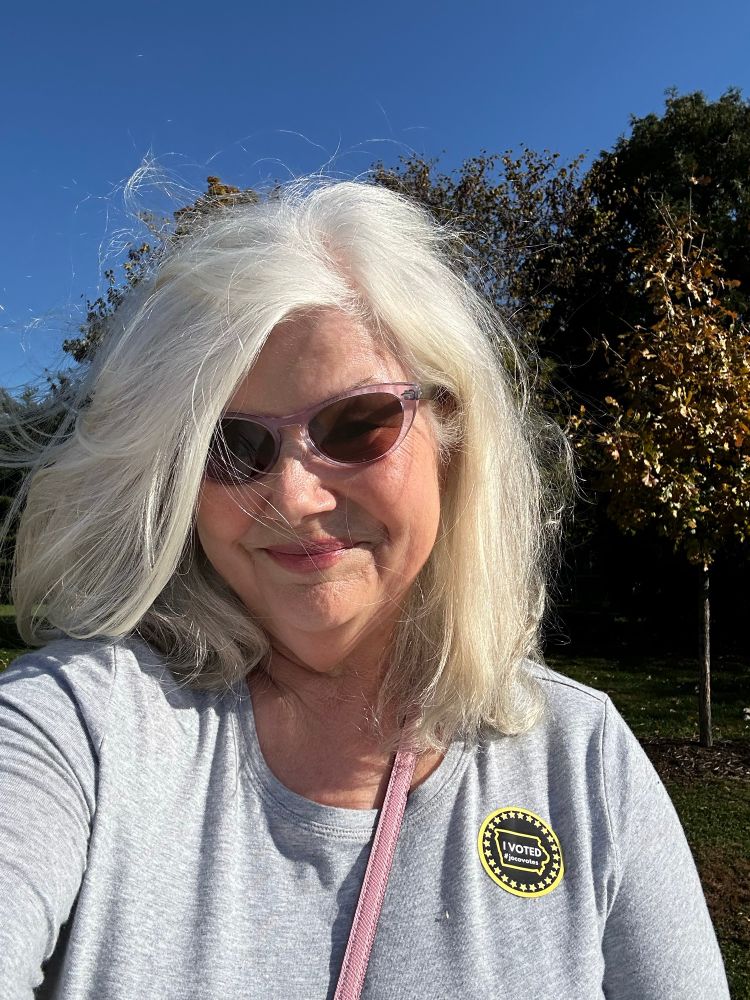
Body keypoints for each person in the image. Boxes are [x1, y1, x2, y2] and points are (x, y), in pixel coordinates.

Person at [0, 177, 729, 999]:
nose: (297, 498)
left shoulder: (581, 756)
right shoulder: (82, 733)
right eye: (233, 446)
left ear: (453, 437)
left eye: (357, 425)